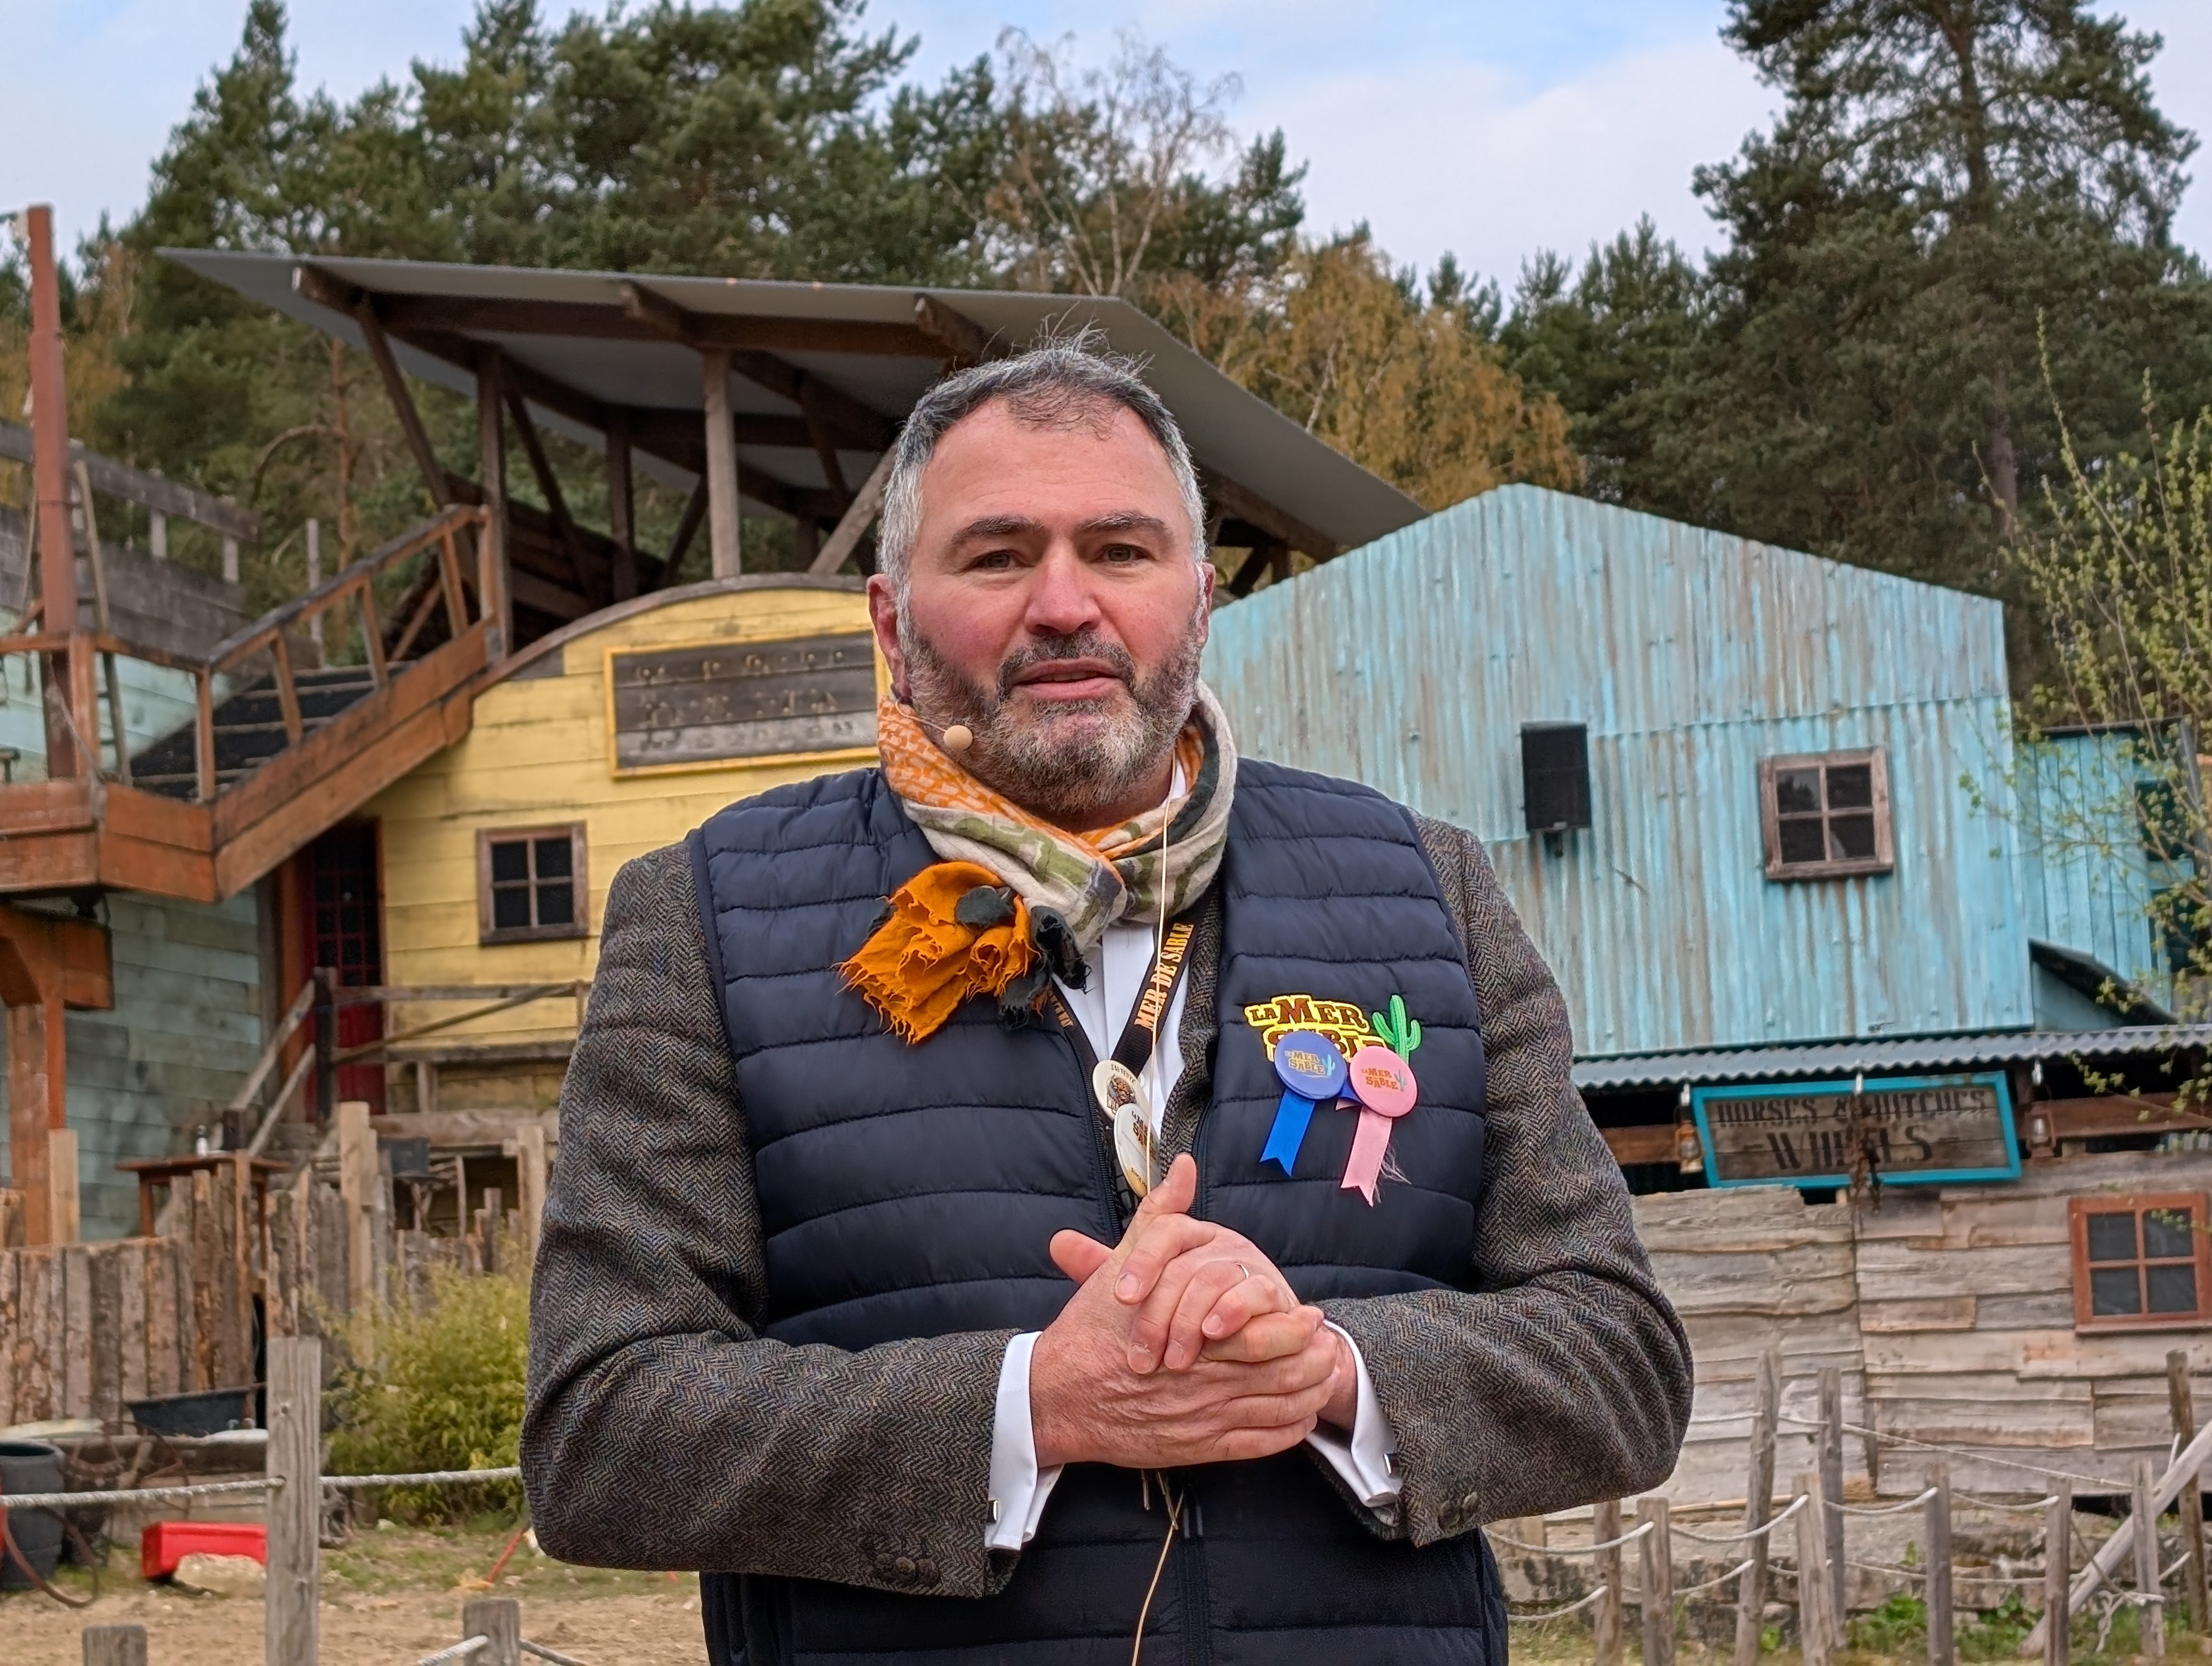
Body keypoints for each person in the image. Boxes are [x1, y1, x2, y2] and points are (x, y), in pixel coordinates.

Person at [522, 340, 1693, 1666]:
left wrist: (1330, 1370)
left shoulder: (1430, 892)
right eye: (997, 555)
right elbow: (597, 1431)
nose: (1064, 604)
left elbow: (1625, 1363)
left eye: (1122, 551)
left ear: (1199, 602)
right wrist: (1028, 1407)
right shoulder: (707, 917)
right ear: (891, 622)